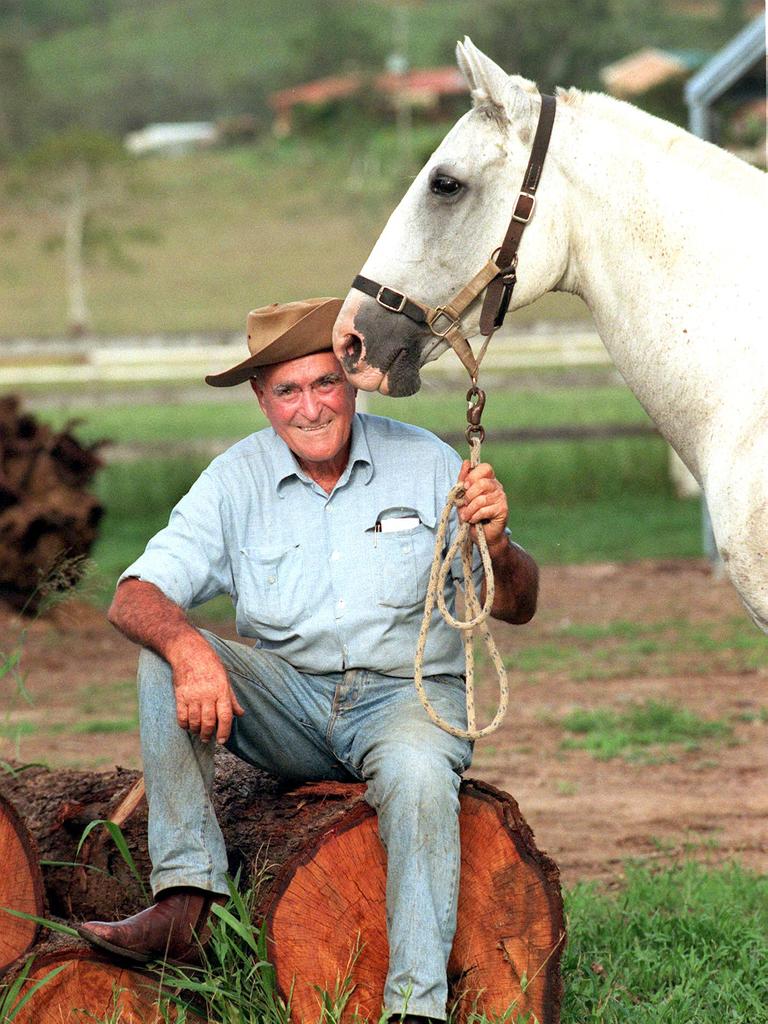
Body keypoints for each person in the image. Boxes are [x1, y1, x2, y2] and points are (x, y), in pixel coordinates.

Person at [77, 297, 539, 1023]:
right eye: (287, 390)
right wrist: (188, 645)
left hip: (406, 701)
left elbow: (515, 603)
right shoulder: (235, 481)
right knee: (163, 656)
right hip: (292, 702)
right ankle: (187, 899)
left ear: (353, 380)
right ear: (261, 397)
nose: (311, 407)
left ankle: (416, 1009)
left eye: (325, 383)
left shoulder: (427, 463)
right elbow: (135, 594)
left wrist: (499, 545)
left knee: (420, 776)